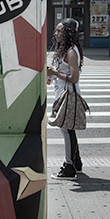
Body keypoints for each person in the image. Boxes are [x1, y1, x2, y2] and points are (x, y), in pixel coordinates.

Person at [46, 18, 84, 180]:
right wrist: (52, 76)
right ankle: (76, 162)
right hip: (61, 92)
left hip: (67, 94)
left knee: (66, 130)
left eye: (59, 31)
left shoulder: (71, 52)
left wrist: (54, 73)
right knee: (69, 130)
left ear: (68, 32)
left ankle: (69, 167)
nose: (56, 34)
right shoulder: (66, 49)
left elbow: (74, 77)